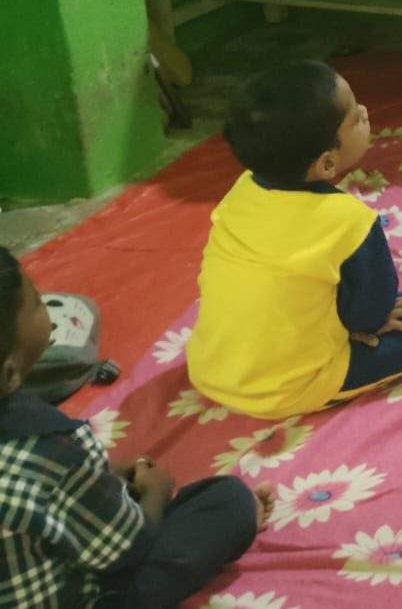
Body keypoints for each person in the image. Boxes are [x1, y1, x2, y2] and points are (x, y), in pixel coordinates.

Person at [187, 61, 402, 418]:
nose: (365, 111)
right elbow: (370, 315)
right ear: (326, 164)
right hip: (287, 388)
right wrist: (367, 319)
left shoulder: (242, 188)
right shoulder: (348, 220)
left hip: (210, 368)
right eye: (354, 117)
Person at [0, 247, 268, 606]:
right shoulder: (51, 446)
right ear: (10, 372)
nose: (46, 306)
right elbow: (128, 546)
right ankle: (240, 509)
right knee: (228, 501)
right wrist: (157, 492)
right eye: (36, 303)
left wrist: (97, 476)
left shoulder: (48, 450)